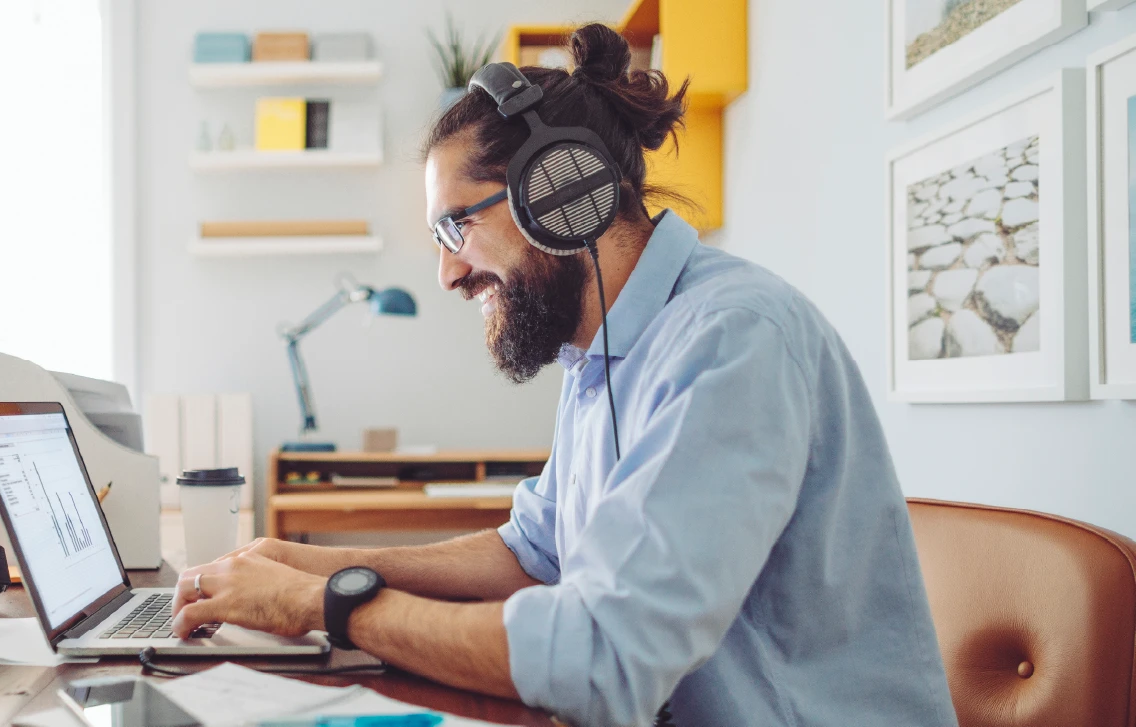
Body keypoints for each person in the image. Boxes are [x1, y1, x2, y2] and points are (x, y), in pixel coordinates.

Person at [172, 23, 958, 727]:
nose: (447, 274)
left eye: (456, 225)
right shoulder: (600, 355)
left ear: (557, 190)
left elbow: (604, 659)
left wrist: (327, 603)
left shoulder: (731, 340)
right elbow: (532, 552)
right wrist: (302, 561)